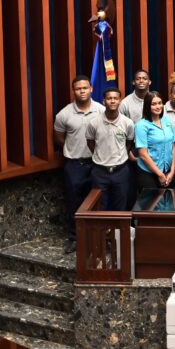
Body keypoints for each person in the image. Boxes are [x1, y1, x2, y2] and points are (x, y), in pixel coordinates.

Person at [53, 76, 104, 252]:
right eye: (78, 89)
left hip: (97, 164)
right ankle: (75, 238)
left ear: (91, 89)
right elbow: (60, 138)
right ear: (73, 91)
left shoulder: (101, 110)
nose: (82, 91)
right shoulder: (64, 114)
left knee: (98, 202)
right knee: (75, 202)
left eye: (85, 88)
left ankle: (97, 238)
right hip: (74, 164)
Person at [85, 87, 136, 212]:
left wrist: (120, 154)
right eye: (109, 98)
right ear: (104, 101)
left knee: (121, 205)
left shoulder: (128, 123)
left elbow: (129, 143)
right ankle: (103, 232)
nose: (112, 101)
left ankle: (118, 232)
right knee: (100, 206)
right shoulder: (93, 122)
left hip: (121, 171)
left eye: (115, 98)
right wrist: (100, 155)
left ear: (120, 101)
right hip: (99, 171)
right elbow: (90, 143)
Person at [134, 90, 175, 195]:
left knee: (167, 205)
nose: (158, 106)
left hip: (167, 172)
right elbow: (143, 154)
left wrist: (172, 171)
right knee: (150, 206)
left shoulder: (167, 121)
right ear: (147, 106)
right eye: (153, 104)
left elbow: (172, 146)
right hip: (148, 173)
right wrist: (159, 174)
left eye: (160, 103)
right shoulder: (141, 125)